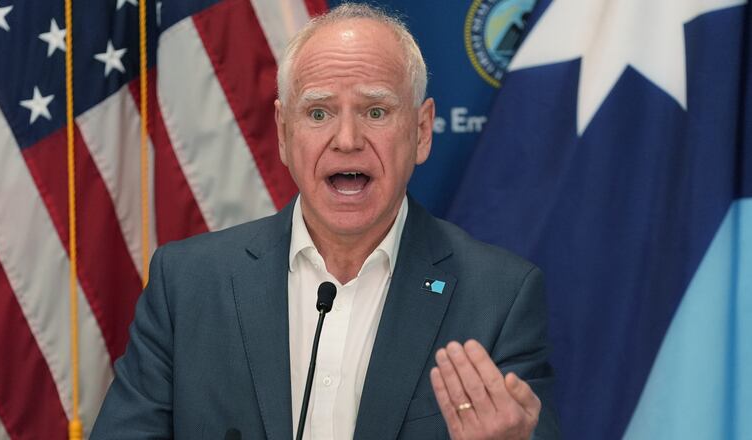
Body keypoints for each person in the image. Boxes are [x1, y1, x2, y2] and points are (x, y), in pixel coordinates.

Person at [91, 3, 558, 439]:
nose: (348, 139)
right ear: (283, 132)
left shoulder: (500, 298)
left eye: (376, 111)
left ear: (420, 132)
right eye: (319, 112)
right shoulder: (187, 284)